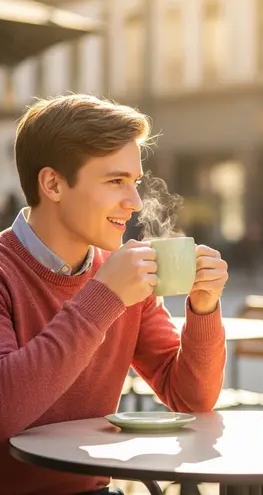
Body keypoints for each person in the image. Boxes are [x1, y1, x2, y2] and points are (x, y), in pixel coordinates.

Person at [0, 94, 228, 495]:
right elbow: (4, 409)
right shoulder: (8, 273)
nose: (135, 202)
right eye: (115, 181)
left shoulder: (122, 275)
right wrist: (104, 297)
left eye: (135, 182)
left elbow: (190, 401)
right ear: (52, 183)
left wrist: (203, 308)